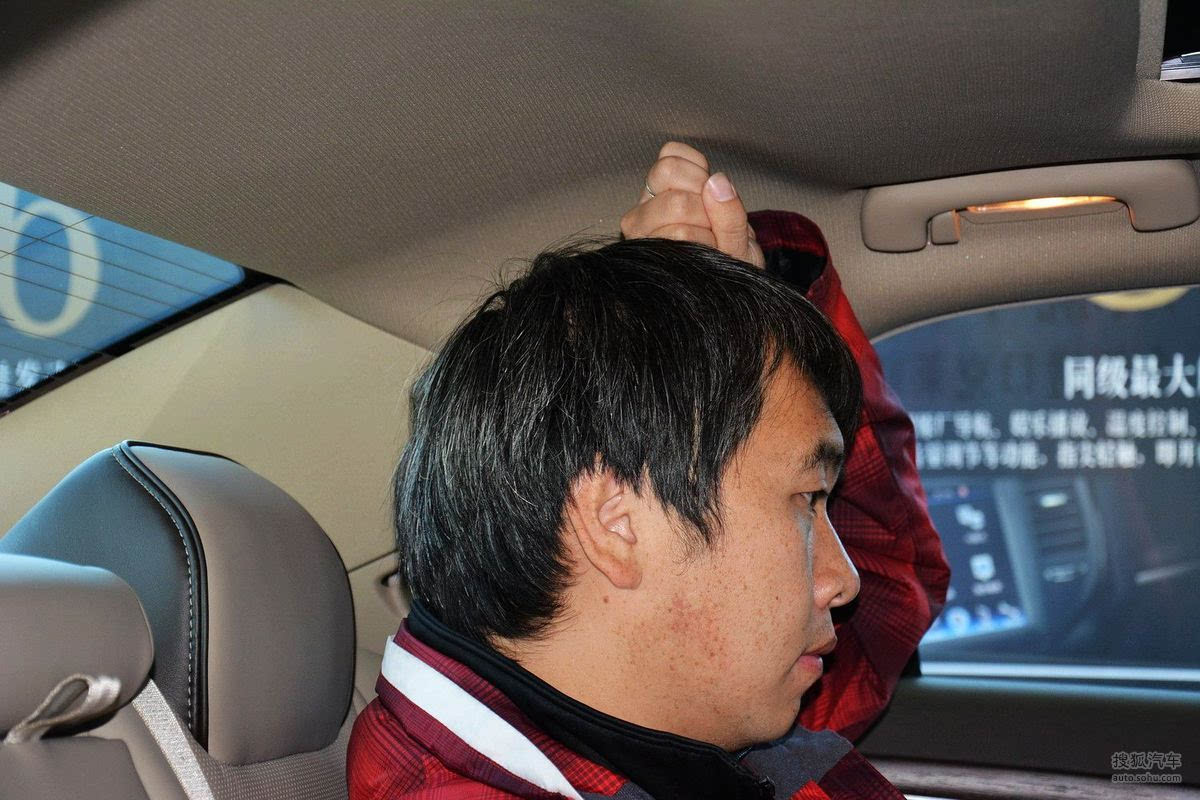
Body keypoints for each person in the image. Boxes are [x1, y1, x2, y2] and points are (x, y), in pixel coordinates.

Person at [347, 142, 950, 799]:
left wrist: (735, 312)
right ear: (617, 524)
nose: (843, 580)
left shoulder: (684, 715)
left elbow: (888, 593)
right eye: (807, 500)